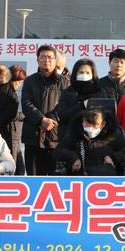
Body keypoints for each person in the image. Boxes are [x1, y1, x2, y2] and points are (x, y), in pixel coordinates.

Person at [22, 45, 70, 175]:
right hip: (33, 136)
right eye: (42, 57)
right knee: (34, 178)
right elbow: (26, 104)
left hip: (56, 137)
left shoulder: (65, 82)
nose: (46, 60)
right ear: (37, 60)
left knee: (55, 180)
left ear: (55, 61)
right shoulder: (29, 81)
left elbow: (66, 104)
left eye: (50, 57)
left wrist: (52, 119)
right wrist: (41, 119)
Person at [54, 108, 125, 176]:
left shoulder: (113, 135)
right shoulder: (76, 134)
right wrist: (73, 158)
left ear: (103, 124)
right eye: (87, 125)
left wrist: (114, 157)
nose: (90, 129)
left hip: (106, 176)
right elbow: (58, 151)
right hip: (81, 176)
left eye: (94, 126)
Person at [56, 59, 108, 141]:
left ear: (93, 74)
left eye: (88, 73)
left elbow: (106, 115)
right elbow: (62, 116)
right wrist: (81, 106)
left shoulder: (100, 92)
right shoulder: (68, 92)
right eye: (81, 72)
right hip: (70, 138)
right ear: (75, 74)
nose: (84, 75)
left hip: (96, 139)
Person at [9, 65, 27, 175]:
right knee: (15, 167)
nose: (19, 84)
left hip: (16, 134)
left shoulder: (13, 92)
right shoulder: (8, 92)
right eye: (18, 81)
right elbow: (10, 113)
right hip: (12, 133)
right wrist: (25, 114)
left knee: (20, 168)